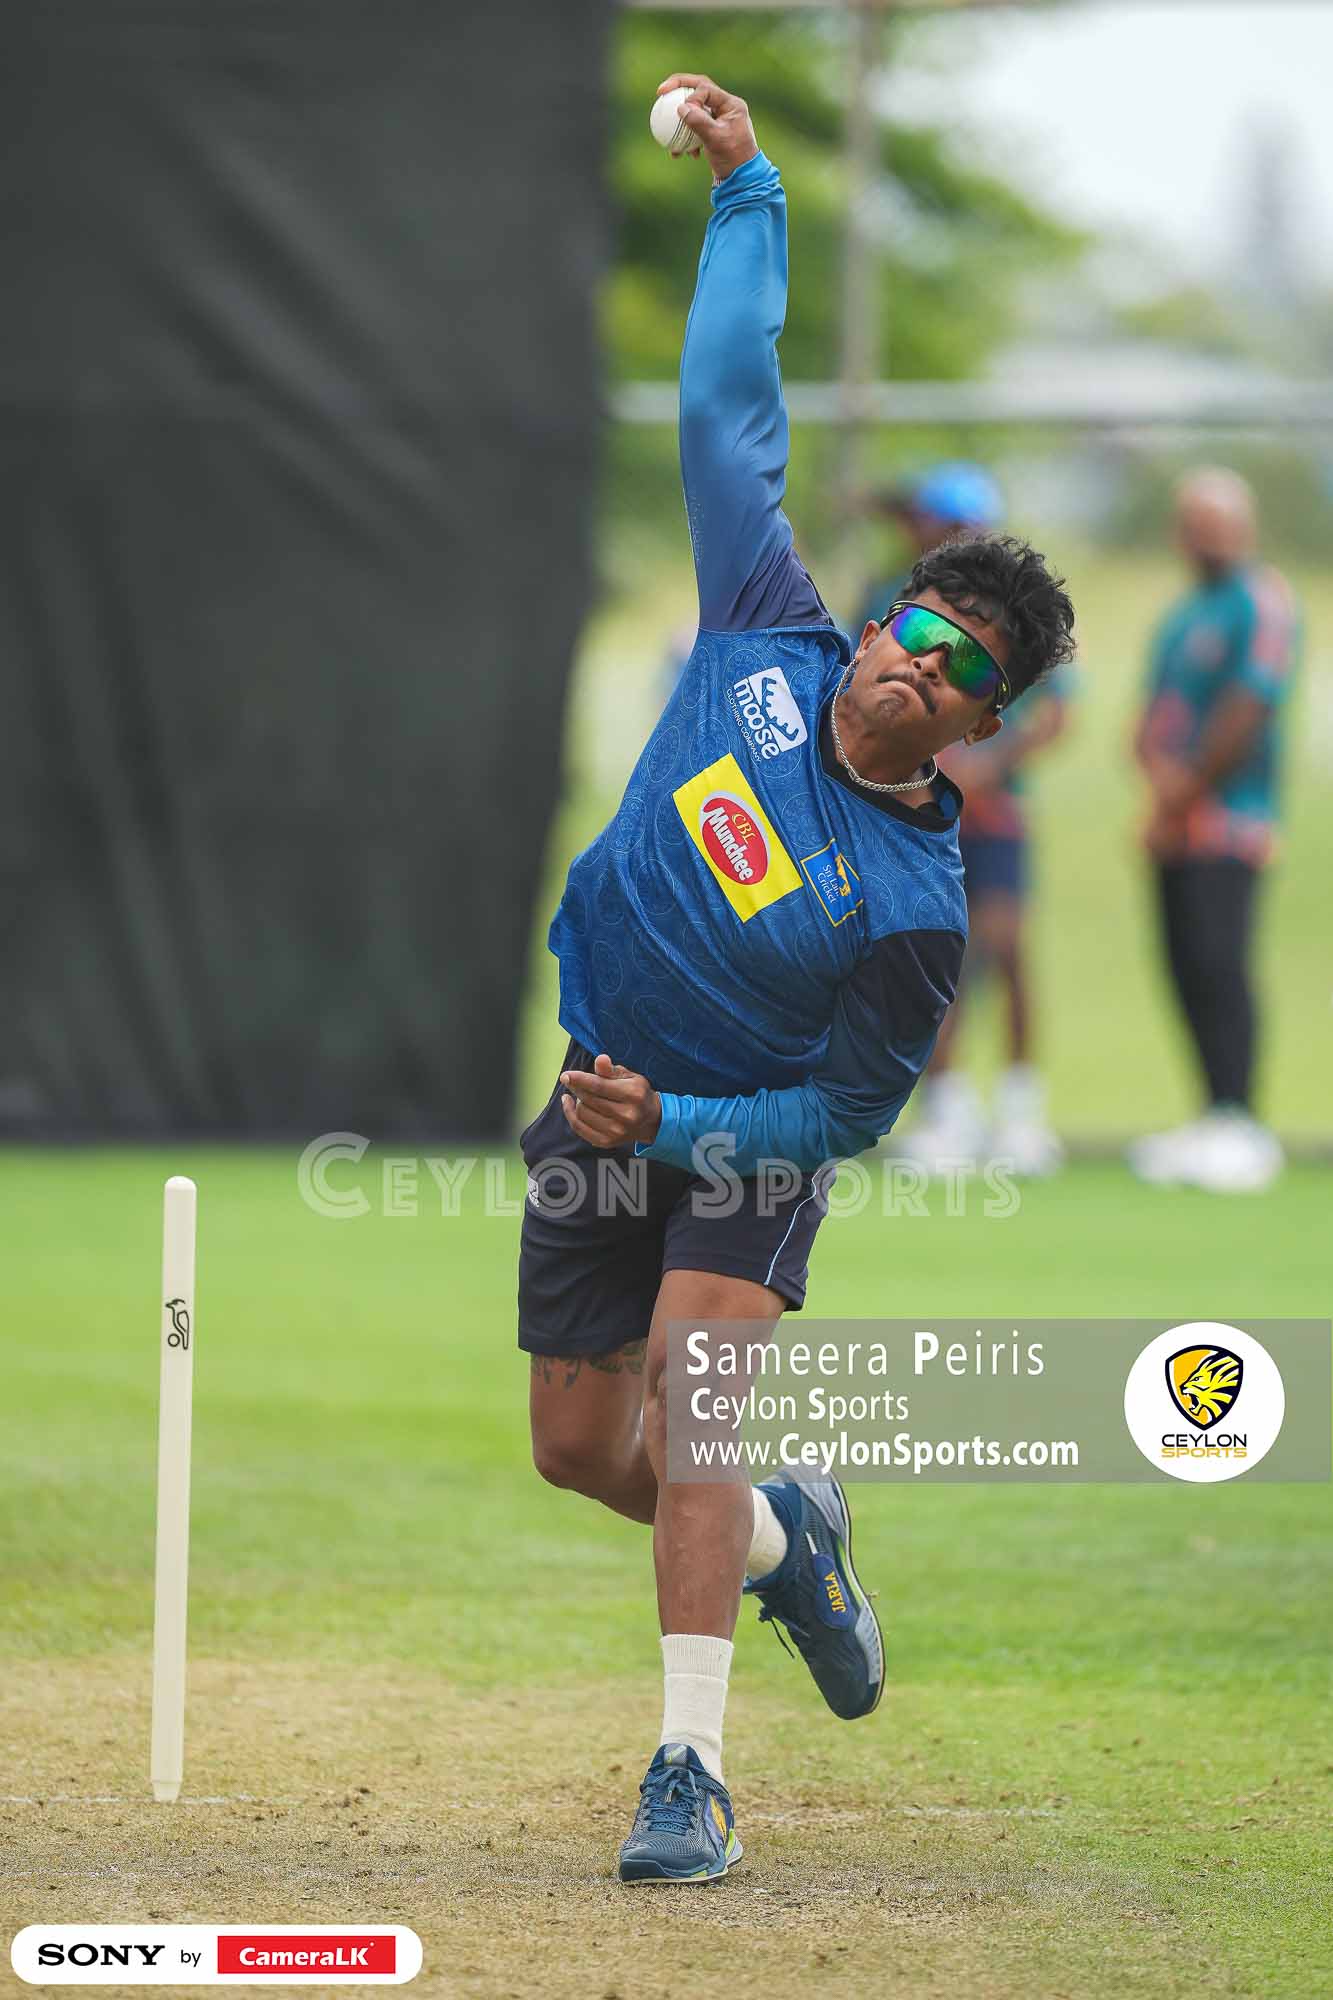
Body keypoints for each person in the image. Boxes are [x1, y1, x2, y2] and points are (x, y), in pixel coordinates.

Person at [518, 73, 1076, 1884]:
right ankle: (787, 1541)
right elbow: (721, 405)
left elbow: (840, 1116)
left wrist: (677, 1123)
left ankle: (688, 1774)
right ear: (881, 616)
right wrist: (747, 189)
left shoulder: (916, 902)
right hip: (600, 1077)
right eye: (921, 627)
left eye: (967, 672)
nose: (924, 665)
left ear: (983, 728)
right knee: (575, 1449)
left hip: (735, 1139)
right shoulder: (762, 623)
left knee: (692, 1405)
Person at [856, 470, 1071, 1175]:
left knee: (1004, 948)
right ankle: (945, 1110)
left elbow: (1056, 714)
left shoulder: (1015, 616)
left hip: (995, 811)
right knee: (931, 958)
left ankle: (1019, 1109)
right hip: (915, 809)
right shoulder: (892, 596)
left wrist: (986, 767)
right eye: (939, 523)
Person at [1129, 468, 1298, 1194]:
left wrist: (1187, 787)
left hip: (1229, 821)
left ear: (1242, 525)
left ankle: (1241, 1119)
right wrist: (1155, 776)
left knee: (1220, 962)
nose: (1202, 536)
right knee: (1183, 966)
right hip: (1174, 824)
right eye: (1191, 522)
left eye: (1214, 522)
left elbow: (1249, 705)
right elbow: (1153, 713)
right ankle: (1209, 1114)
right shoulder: (1182, 615)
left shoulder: (1260, 602)